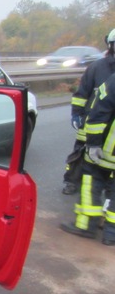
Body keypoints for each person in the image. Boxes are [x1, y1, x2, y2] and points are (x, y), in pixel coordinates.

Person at [60, 71, 115, 245]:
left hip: (106, 149)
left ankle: (86, 226)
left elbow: (99, 110)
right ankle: (111, 234)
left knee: (91, 181)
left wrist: (93, 143)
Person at [62, 29, 115, 194]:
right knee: (80, 154)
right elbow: (82, 93)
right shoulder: (98, 67)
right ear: (111, 45)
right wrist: (77, 113)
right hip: (91, 121)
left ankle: (105, 187)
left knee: (106, 160)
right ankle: (71, 181)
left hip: (111, 128)